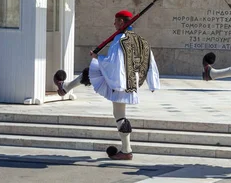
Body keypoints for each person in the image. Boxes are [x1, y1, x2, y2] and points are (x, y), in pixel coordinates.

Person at [53, 10, 160, 161]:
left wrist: (98, 57)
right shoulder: (141, 40)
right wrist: (152, 82)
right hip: (131, 81)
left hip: (120, 81)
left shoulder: (119, 39)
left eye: (116, 21)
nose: (114, 24)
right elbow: (150, 61)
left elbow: (113, 62)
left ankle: (126, 150)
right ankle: (65, 87)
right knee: (91, 72)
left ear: (122, 22)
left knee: (119, 116)